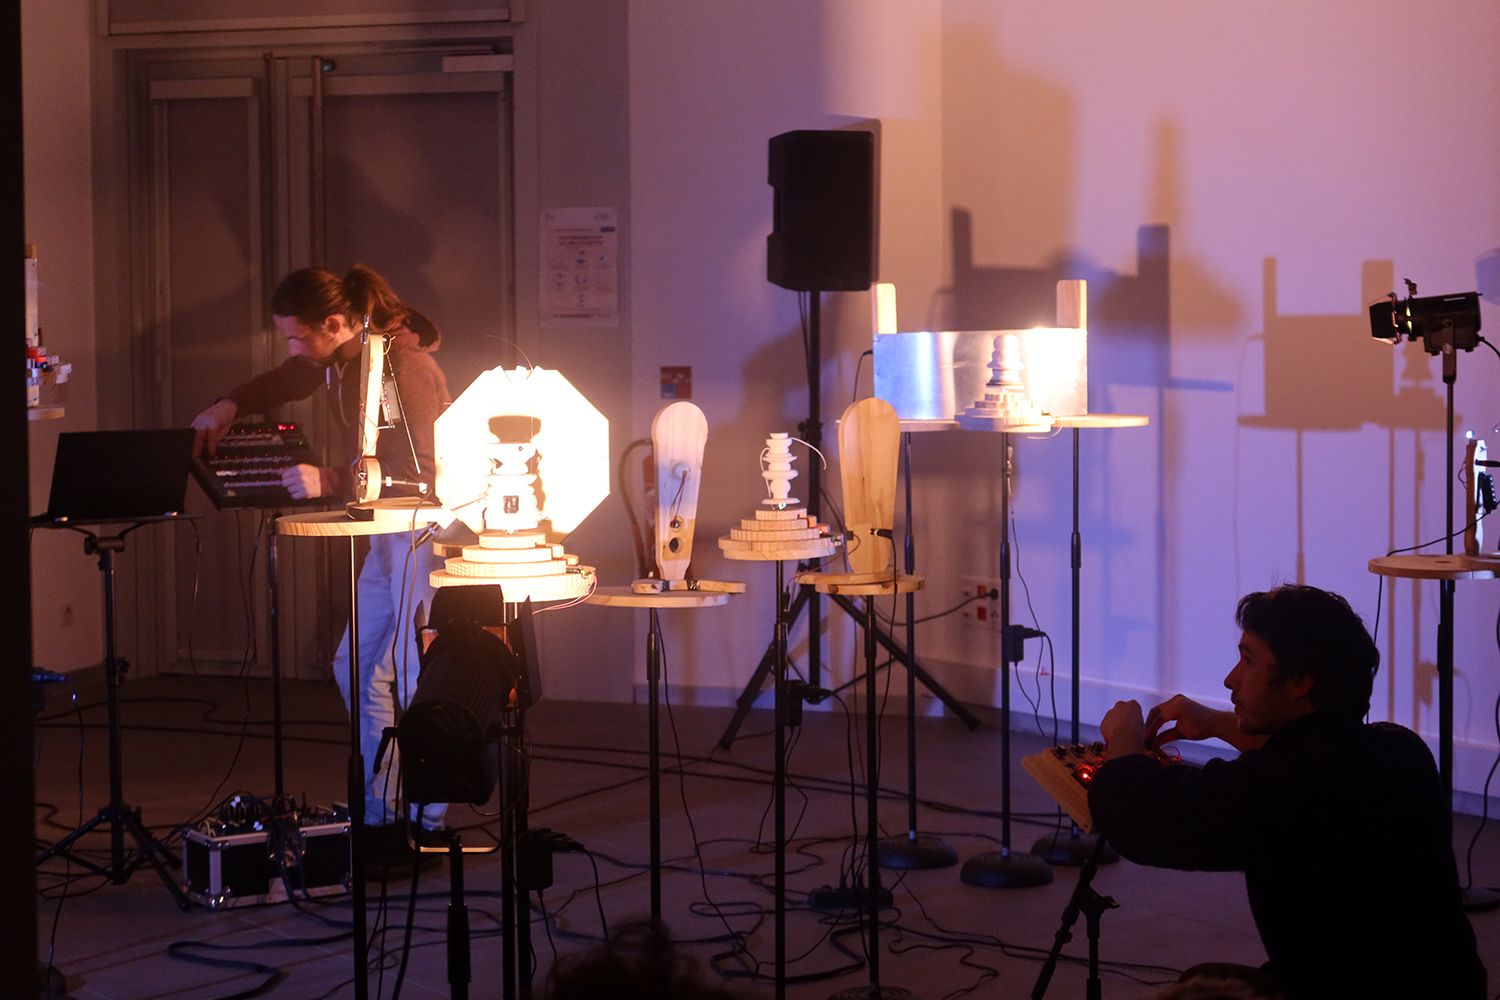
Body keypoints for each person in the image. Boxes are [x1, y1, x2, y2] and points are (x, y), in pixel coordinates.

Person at [1089, 584, 1485, 1000]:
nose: (1230, 679)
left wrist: (1126, 736)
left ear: (1299, 680)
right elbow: (1313, 750)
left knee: (1199, 988)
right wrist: (1219, 723)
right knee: (1206, 977)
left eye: (1248, 660)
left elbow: (1139, 812)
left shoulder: (1284, 787)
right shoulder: (1402, 750)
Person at [191, 265, 451, 861]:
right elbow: (289, 377)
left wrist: (331, 480)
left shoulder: (404, 366)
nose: (293, 348)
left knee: (412, 671)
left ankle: (428, 819)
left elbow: (428, 469)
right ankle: (383, 812)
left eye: (298, 336)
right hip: (386, 531)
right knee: (354, 666)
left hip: (420, 529)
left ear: (335, 323)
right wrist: (230, 404)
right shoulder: (344, 353)